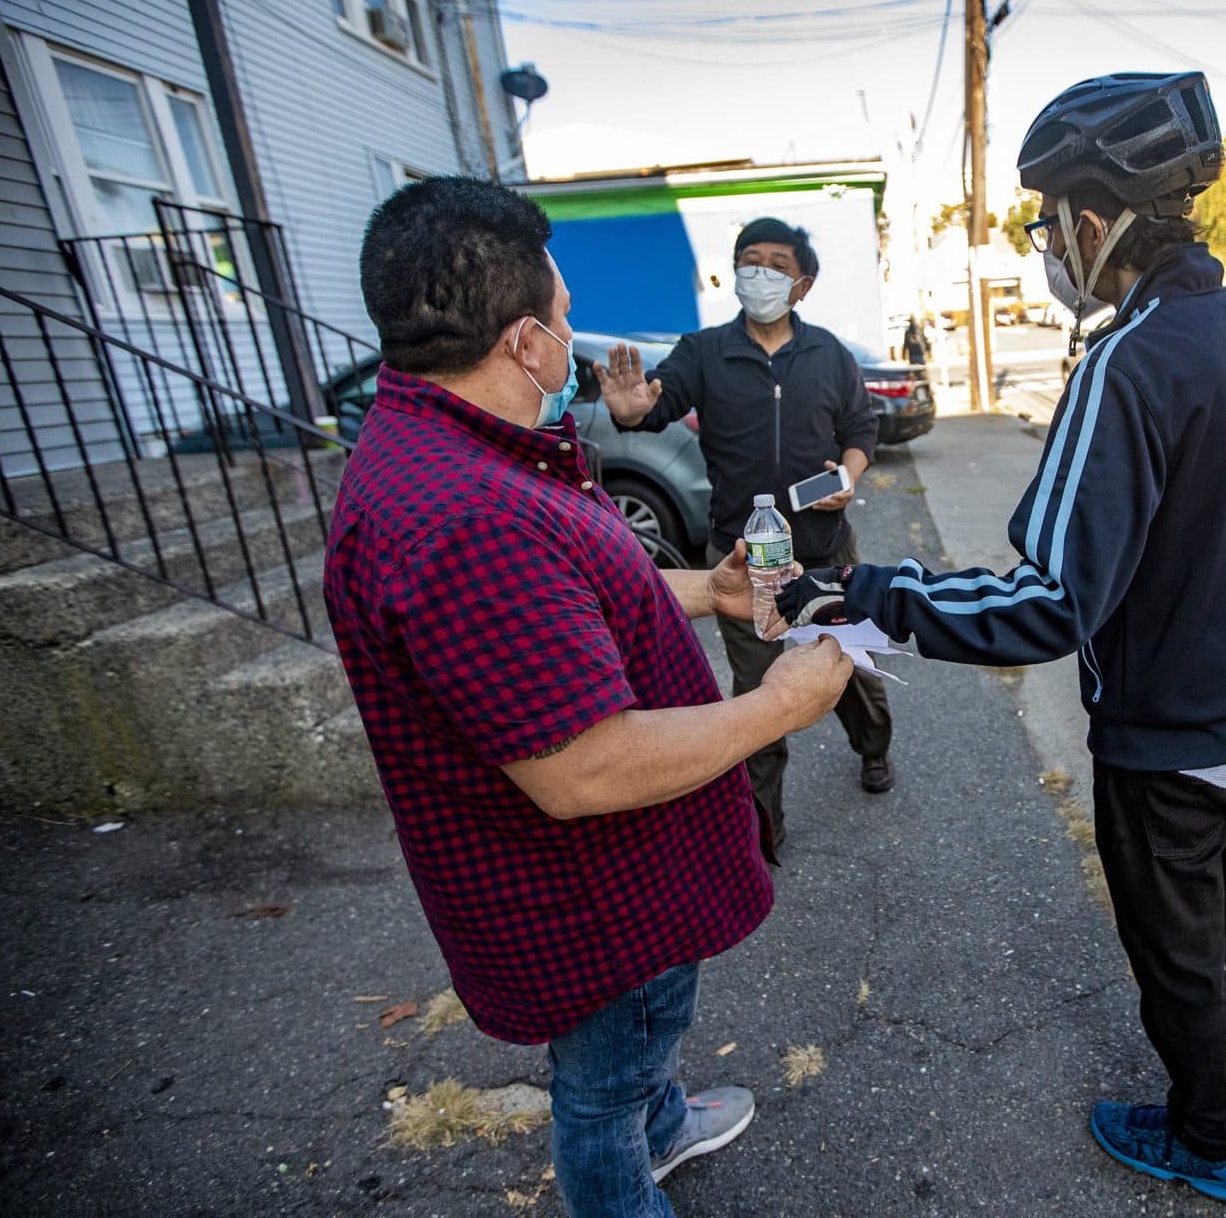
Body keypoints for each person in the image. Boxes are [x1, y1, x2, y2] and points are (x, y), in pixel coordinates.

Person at [773, 72, 1226, 1205]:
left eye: (1046, 219)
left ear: (1092, 216)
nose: (1045, 245)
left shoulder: (1132, 359)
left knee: (1180, 951)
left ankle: (1208, 1135)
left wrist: (865, 589)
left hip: (1168, 740)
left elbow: (1047, 603)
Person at [324, 178, 853, 1217]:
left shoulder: (462, 449)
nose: (573, 337)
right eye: (563, 319)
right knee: (603, 1082)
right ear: (523, 342)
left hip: (612, 882)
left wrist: (709, 587)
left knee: (643, 1048)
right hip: (592, 900)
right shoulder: (466, 516)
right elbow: (586, 765)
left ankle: (665, 1122)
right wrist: (782, 704)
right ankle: (627, 1168)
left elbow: (559, 604)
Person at [600, 217, 895, 853]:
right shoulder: (704, 351)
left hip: (828, 551)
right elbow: (657, 403)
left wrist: (847, 473)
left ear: (802, 283)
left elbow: (862, 431)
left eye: (775, 264)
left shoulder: (829, 355)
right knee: (758, 694)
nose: (758, 273)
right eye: (748, 261)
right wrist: (632, 412)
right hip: (742, 562)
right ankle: (764, 823)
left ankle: (874, 750)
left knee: (853, 673)